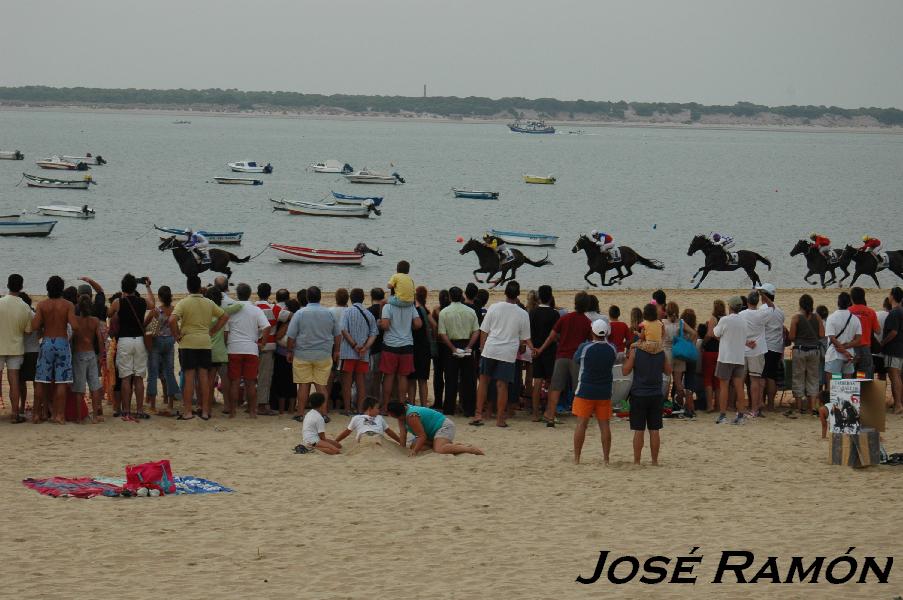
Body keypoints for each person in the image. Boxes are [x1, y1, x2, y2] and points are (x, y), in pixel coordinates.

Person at [169, 274, 229, 420]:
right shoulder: (208, 302)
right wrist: (213, 330)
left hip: (188, 342)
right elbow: (224, 316)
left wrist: (176, 335)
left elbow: (172, 319)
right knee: (204, 377)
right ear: (199, 287)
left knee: (189, 377)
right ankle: (205, 411)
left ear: (188, 288)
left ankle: (188, 411)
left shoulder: (183, 303)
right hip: (204, 342)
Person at [472, 281, 531, 427]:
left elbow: (484, 330)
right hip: (508, 352)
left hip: (491, 348)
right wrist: (524, 346)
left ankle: (478, 414)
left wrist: (481, 347)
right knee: (502, 385)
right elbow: (524, 337)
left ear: (505, 293)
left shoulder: (494, 307)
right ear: (517, 295)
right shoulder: (523, 313)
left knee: (484, 381)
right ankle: (500, 418)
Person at [536, 291, 591, 426]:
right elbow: (590, 342)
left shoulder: (565, 318)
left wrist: (540, 349)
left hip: (561, 357)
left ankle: (550, 415)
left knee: (555, 387)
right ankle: (581, 415)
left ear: (575, 303)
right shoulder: (587, 322)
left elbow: (552, 336)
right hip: (576, 359)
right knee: (579, 388)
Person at [287, 286, 341, 420]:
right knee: (321, 386)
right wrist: (337, 351)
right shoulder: (329, 313)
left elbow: (291, 336)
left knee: (303, 385)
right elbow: (337, 335)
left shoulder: (300, 313)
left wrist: (289, 351)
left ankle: (300, 413)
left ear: (307, 298)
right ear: (320, 297)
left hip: (302, 353)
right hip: (323, 354)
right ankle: (324, 414)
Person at [31, 275, 79, 424]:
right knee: (61, 381)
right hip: (62, 343)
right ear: (61, 289)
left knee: (41, 380)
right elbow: (75, 326)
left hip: (47, 342)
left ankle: (37, 415)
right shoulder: (68, 305)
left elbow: (34, 326)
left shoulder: (42, 305)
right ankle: (59, 415)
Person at [622, 332, 672, 465]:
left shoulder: (636, 351)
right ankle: (654, 461)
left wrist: (626, 358)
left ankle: (637, 461)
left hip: (639, 394)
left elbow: (625, 371)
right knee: (654, 430)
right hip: (655, 394)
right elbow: (668, 371)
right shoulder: (661, 352)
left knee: (639, 430)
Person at [107, 273, 153, 420]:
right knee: (139, 377)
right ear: (135, 287)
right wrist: (148, 287)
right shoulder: (142, 301)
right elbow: (153, 304)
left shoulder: (118, 302)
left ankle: (126, 410)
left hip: (124, 341)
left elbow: (109, 314)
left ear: (123, 287)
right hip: (139, 340)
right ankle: (139, 410)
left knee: (126, 377)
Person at [572, 319, 616, 464]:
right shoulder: (612, 349)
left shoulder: (585, 348)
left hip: (585, 390)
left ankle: (577, 458)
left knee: (581, 424)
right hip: (604, 391)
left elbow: (576, 359)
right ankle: (606, 458)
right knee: (604, 426)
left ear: (592, 332)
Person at [227, 283, 270, 418]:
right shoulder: (256, 310)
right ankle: (252, 412)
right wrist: (262, 343)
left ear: (237, 295)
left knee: (234, 381)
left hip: (234, 347)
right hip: (251, 349)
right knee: (250, 382)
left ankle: (233, 411)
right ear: (250, 294)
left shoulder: (231, 309)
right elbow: (266, 327)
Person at [438, 285, 480, 416]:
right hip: (466, 343)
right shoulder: (470, 311)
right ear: (462, 295)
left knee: (450, 378)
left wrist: (452, 348)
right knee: (469, 379)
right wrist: (469, 347)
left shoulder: (444, 312)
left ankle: (449, 408)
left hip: (452, 345)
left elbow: (442, 334)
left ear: (450, 297)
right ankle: (469, 409)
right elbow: (476, 331)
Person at [378, 289, 422, 412]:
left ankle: (386, 406)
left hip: (391, 345)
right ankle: (402, 404)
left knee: (389, 376)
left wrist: (380, 323)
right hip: (407, 344)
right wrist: (409, 328)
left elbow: (385, 326)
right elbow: (418, 324)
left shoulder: (388, 306)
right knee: (403, 377)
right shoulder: (410, 306)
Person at [387, 401, 483, 456]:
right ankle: (449, 445)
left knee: (439, 450)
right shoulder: (402, 415)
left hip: (443, 426)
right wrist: (402, 450)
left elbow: (422, 436)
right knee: (414, 445)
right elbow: (403, 435)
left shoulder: (412, 416)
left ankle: (469, 449)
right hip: (432, 433)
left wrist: (414, 452)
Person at [338, 288, 378, 415]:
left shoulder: (347, 311)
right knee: (361, 382)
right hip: (363, 354)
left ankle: (347, 408)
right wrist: (365, 347)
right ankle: (361, 409)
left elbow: (344, 330)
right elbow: (374, 334)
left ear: (351, 298)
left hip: (349, 352)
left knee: (347, 382)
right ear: (363, 298)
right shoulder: (369, 314)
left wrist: (354, 345)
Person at [0, 274, 33, 423]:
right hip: (16, 347)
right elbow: (27, 331)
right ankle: (14, 413)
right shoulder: (24, 306)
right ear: (21, 287)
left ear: (8, 285)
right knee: (14, 381)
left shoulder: (0, 302)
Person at [713, 296, 749, 425]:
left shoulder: (725, 320)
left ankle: (723, 415)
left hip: (726, 357)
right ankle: (740, 415)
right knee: (739, 387)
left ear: (730, 307)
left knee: (724, 387)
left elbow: (716, 333)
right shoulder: (744, 321)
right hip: (739, 357)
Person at [144, 285, 180, 415]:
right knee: (169, 371)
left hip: (157, 341)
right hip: (170, 341)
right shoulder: (174, 310)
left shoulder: (156, 311)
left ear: (159, 297)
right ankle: (170, 403)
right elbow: (176, 326)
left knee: (153, 372)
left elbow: (145, 324)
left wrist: (150, 331)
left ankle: (152, 404)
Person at [787, 294, 824, 417]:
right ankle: (812, 407)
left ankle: (799, 408)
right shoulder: (817, 317)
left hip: (800, 350)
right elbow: (822, 334)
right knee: (813, 378)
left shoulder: (796, 318)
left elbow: (791, 337)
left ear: (800, 304)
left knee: (798, 378)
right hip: (814, 350)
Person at [72, 295, 105, 422]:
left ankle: (80, 417)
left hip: (79, 354)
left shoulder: (75, 320)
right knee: (94, 385)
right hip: (91, 353)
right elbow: (100, 339)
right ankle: (95, 416)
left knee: (79, 388)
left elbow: (72, 337)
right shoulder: (95, 320)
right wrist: (101, 355)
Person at [528, 285, 559, 421]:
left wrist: (533, 347)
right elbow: (555, 335)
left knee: (538, 381)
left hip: (535, 349)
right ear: (551, 297)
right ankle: (550, 410)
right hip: (550, 350)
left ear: (539, 297)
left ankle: (535, 413)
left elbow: (529, 332)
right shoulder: (554, 314)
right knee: (551, 382)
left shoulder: (532, 312)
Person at [824, 292, 863, 390]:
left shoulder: (832, 317)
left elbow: (832, 337)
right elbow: (858, 339)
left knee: (833, 385)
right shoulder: (855, 319)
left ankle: (833, 404)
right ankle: (845, 403)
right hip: (849, 355)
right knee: (846, 384)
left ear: (838, 302)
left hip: (834, 355)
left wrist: (842, 348)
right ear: (849, 303)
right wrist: (846, 348)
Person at [756, 283, 785, 411]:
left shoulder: (763, 309)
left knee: (762, 375)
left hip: (766, 346)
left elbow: (758, 326)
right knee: (772, 376)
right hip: (777, 347)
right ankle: (771, 404)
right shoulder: (780, 312)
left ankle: (761, 401)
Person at [740, 291, 769, 418]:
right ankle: (754, 409)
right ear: (757, 302)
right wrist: (765, 296)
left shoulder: (741, 314)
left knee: (739, 380)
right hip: (757, 350)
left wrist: (746, 342)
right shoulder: (762, 314)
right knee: (755, 381)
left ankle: (740, 408)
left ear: (747, 302)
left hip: (743, 348)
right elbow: (772, 307)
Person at [254, 283, 280, 416]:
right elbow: (289, 316)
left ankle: (251, 403)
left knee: (251, 377)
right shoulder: (274, 308)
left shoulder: (253, 307)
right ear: (269, 293)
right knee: (264, 377)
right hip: (267, 346)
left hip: (253, 346)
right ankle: (262, 405)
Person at [335, 397, 402, 446]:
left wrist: (400, 441)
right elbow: (347, 432)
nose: (379, 411)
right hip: (365, 436)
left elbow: (389, 432)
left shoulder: (379, 417)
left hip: (377, 436)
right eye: (377, 408)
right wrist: (336, 441)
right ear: (370, 408)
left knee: (377, 441)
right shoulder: (357, 418)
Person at [272, 298, 300, 414]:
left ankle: (282, 409)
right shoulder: (299, 320)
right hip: (296, 354)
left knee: (282, 381)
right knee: (293, 382)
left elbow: (278, 336)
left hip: (283, 354)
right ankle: (292, 408)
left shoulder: (288, 322)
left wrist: (287, 324)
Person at [407, 286, 435, 406]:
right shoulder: (424, 310)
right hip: (424, 347)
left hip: (412, 347)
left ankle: (412, 405)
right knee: (423, 380)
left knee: (412, 380)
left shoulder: (412, 310)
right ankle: (424, 405)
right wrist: (432, 338)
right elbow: (434, 324)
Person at [17, 292, 39, 423]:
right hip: (35, 350)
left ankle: (21, 406)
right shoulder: (35, 315)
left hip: (22, 350)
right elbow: (40, 330)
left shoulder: (21, 315)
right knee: (37, 382)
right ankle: (37, 408)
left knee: (21, 382)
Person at [849, 286, 880, 379]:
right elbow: (878, 331)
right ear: (863, 297)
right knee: (864, 373)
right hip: (865, 347)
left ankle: (852, 392)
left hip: (851, 347)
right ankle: (862, 391)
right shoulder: (870, 312)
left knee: (850, 372)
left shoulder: (848, 311)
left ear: (852, 298)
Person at [880, 287, 903, 414]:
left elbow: (893, 332)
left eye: (889, 294)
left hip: (893, 349)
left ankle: (898, 404)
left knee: (894, 377)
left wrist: (882, 343)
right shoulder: (901, 311)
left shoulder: (894, 313)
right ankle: (899, 403)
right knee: (898, 377)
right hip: (900, 348)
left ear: (893, 296)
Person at [699, 300, 724, 412]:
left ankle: (710, 405)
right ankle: (718, 405)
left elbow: (709, 334)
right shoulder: (725, 319)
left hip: (710, 351)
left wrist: (703, 343)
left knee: (708, 379)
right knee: (718, 380)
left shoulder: (713, 319)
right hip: (720, 351)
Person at [430, 289, 451, 410]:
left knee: (438, 374)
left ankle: (438, 401)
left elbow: (434, 329)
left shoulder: (437, 311)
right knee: (448, 374)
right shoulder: (449, 311)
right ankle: (447, 401)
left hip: (439, 344)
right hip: (448, 344)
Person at [366, 287, 386, 401]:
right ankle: (378, 398)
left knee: (370, 376)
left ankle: (370, 399)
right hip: (385, 346)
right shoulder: (387, 310)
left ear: (371, 297)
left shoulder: (368, 311)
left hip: (372, 347)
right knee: (380, 376)